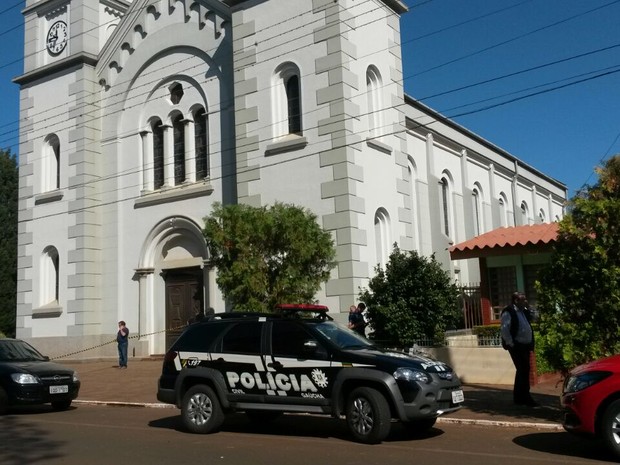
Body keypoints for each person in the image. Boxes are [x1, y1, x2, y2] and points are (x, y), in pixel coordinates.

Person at [500, 292, 537, 407]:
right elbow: (505, 329)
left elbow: (536, 318)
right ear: (516, 300)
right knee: (524, 369)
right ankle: (526, 397)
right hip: (516, 346)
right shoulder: (509, 311)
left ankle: (518, 397)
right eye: (522, 300)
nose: (525, 301)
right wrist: (511, 344)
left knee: (522, 370)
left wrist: (530, 308)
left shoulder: (524, 311)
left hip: (525, 345)